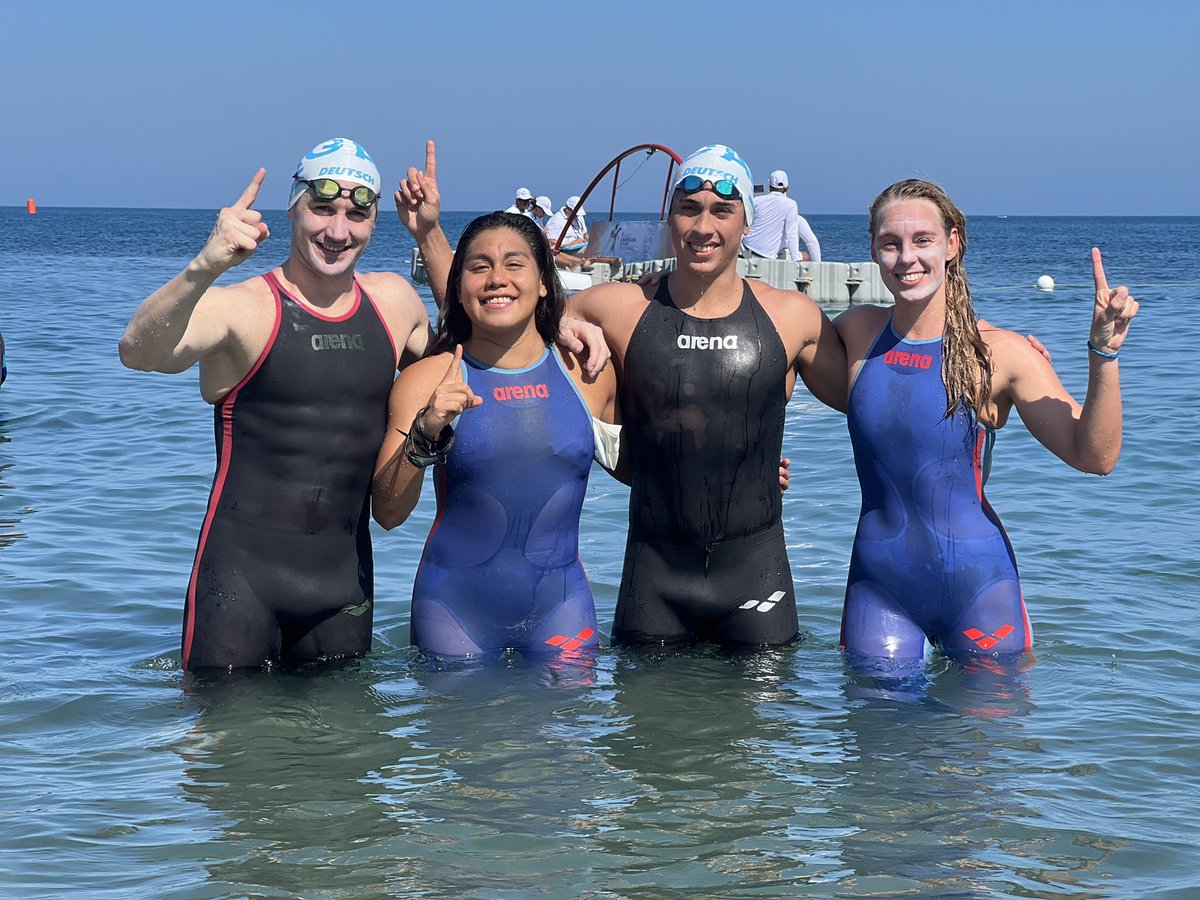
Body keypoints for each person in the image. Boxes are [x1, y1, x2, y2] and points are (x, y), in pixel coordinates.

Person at [118, 138, 431, 671]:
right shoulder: (242, 308)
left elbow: (467, 356)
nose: (338, 230)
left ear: (376, 222)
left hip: (344, 587)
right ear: (293, 208)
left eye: (356, 214)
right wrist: (204, 266)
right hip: (239, 586)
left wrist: (555, 318)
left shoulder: (396, 302)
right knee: (229, 749)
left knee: (344, 751)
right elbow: (139, 353)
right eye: (322, 208)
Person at [833, 178, 1138, 668]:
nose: (907, 258)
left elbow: (1095, 456)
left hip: (979, 587)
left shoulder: (999, 353)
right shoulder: (854, 333)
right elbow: (766, 368)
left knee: (980, 743)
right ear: (873, 249)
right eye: (890, 243)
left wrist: (1103, 352)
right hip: (878, 591)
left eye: (923, 240)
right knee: (878, 741)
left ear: (953, 243)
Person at [567, 144, 848, 647]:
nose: (704, 227)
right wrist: (566, 328)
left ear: (747, 224)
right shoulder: (618, 307)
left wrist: (976, 341)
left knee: (765, 727)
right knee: (645, 728)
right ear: (670, 219)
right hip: (653, 579)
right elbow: (517, 314)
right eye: (689, 209)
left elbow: (877, 390)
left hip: (756, 576)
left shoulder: (792, 316)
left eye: (723, 210)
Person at [372, 212, 620, 658]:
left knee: (573, 725)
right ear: (459, 286)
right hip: (454, 611)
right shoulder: (427, 379)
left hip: (562, 608)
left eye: (514, 264)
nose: (496, 279)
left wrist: (746, 474)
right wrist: (426, 432)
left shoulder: (587, 373)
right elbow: (388, 513)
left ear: (544, 281)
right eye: (479, 267)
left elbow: (643, 469)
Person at [742, 169, 821, 263]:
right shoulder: (791, 206)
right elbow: (799, 238)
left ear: (769, 187)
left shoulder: (757, 201)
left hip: (746, 249)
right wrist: (795, 260)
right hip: (767, 257)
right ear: (787, 189)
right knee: (805, 256)